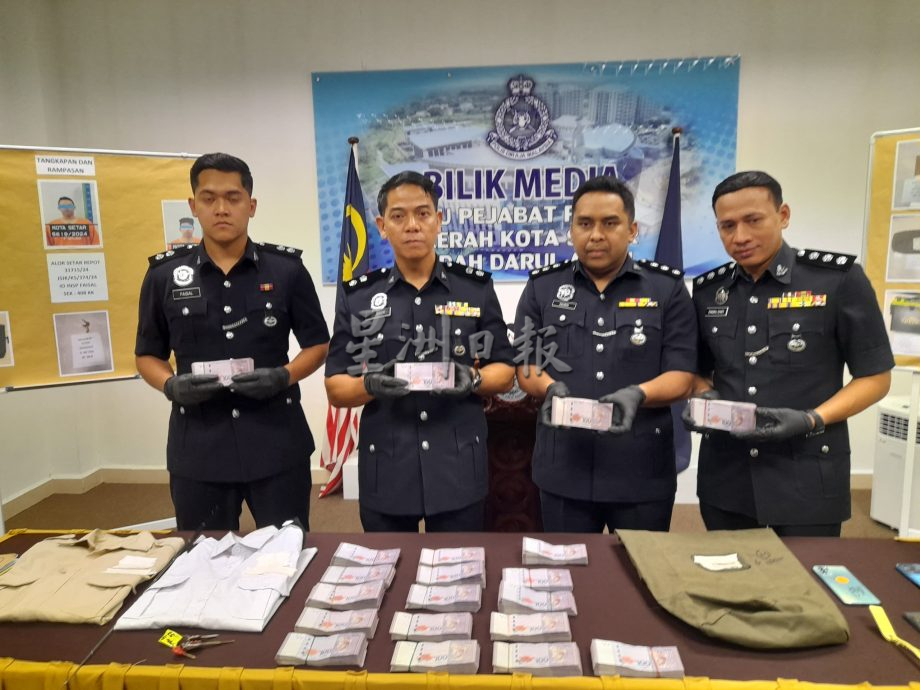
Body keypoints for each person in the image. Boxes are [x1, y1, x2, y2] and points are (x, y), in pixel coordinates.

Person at [685, 170, 894, 536]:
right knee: (729, 570)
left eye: (753, 220)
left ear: (783, 215)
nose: (740, 236)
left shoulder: (837, 280)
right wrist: (705, 397)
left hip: (807, 472)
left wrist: (812, 419)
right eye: (727, 226)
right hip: (728, 476)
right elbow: (700, 372)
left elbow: (875, 377)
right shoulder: (708, 292)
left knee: (806, 573)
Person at [135, 152, 329, 531]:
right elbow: (146, 355)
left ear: (251, 206)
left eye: (233, 197)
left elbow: (318, 344)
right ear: (193, 205)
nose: (221, 208)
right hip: (199, 448)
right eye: (208, 198)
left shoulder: (286, 271)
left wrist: (284, 376)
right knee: (203, 556)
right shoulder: (164, 276)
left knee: (286, 553)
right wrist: (170, 385)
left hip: (276, 441)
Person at [324, 171, 514, 532]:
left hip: (457, 462)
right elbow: (336, 387)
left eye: (423, 213)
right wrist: (370, 385)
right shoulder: (359, 296)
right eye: (398, 216)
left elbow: (505, 371)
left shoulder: (474, 289)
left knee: (460, 562)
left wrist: (473, 379)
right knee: (389, 563)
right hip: (388, 464)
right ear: (382, 226)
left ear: (438, 220)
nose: (412, 225)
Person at [514, 176, 697, 533]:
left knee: (640, 564)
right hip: (564, 465)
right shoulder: (542, 287)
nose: (596, 235)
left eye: (610, 223)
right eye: (584, 224)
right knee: (568, 564)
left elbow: (682, 376)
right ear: (571, 231)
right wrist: (549, 388)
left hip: (641, 468)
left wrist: (639, 394)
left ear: (632, 230)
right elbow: (527, 365)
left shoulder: (666, 289)